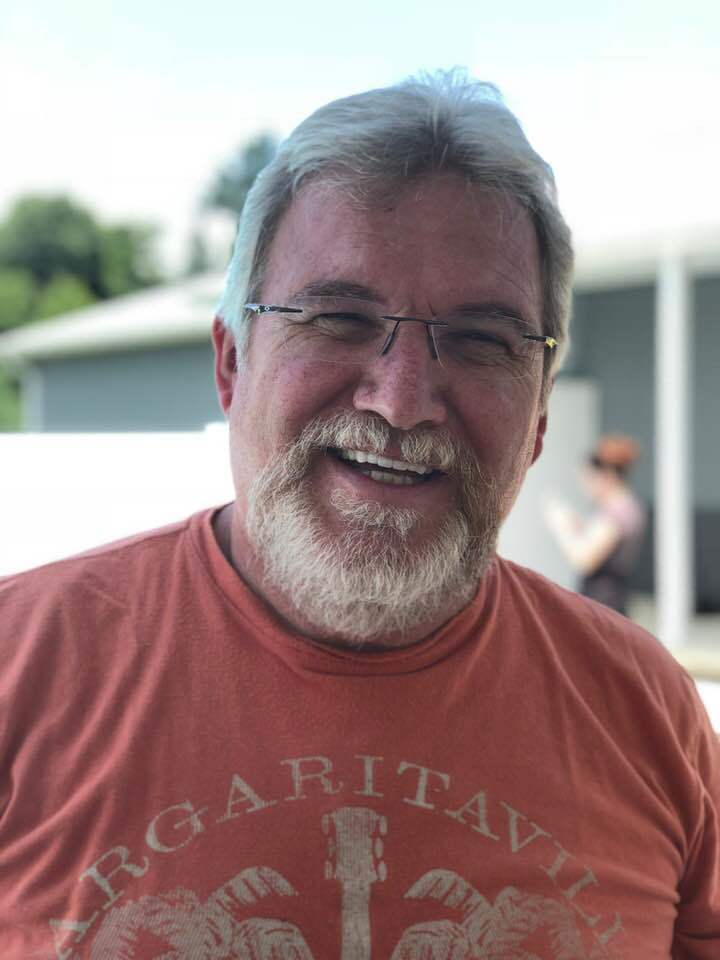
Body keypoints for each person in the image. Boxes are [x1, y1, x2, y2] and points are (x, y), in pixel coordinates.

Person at [1, 73, 718, 960]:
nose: (403, 401)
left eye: (481, 340)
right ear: (231, 365)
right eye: (337, 318)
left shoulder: (645, 713)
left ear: (538, 415)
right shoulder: (20, 669)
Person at [545, 434, 647, 615]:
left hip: (602, 605)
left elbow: (584, 559)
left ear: (606, 475)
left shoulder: (617, 511)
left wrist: (560, 525)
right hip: (611, 603)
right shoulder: (627, 507)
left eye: (588, 479)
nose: (585, 486)